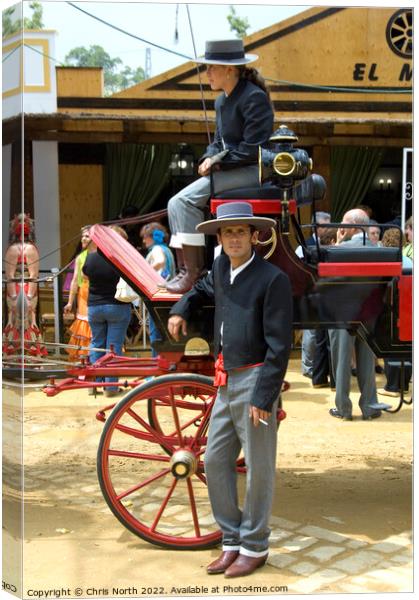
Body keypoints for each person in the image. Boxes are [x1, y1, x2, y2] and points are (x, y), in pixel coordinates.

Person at [168, 202, 293, 578]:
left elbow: (280, 346)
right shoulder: (222, 267)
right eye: (227, 232)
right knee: (215, 461)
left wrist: (264, 396)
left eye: (241, 231)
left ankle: (255, 546)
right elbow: (202, 286)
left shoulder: (273, 279)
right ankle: (232, 539)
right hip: (225, 380)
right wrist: (181, 307)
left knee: (258, 468)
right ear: (219, 238)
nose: (234, 238)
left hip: (255, 380)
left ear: (254, 236)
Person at [165, 39, 274, 294]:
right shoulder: (220, 102)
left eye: (211, 68)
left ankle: (194, 272)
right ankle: (183, 269)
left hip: (252, 172)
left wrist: (217, 162)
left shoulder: (253, 98)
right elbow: (218, 142)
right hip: (229, 170)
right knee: (173, 203)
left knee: (184, 201)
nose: (207, 74)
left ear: (229, 69)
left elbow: (253, 149)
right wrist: (208, 158)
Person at [328, 208, 381, 421]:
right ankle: (370, 407)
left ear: (350, 226)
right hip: (370, 312)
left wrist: (338, 243)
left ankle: (344, 408)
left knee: (342, 361)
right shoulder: (378, 248)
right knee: (367, 361)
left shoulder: (339, 249)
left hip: (343, 311)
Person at [82, 225, 132, 397]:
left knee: (96, 344)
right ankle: (111, 387)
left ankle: (94, 383)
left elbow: (86, 275)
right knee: (114, 347)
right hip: (117, 306)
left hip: (94, 306)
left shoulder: (91, 258)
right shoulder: (121, 260)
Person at [3, 213, 47, 357]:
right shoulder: (14, 249)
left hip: (27, 288)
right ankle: (13, 358)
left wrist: (28, 296)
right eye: (20, 220)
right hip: (16, 289)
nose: (23, 223)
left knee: (29, 321)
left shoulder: (29, 248)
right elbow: (9, 275)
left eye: (24, 220)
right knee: (14, 321)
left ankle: (30, 358)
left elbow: (33, 275)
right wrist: (15, 297)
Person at [377, 227, 412, 398]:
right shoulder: (409, 260)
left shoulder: (383, 260)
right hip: (407, 308)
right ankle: (404, 385)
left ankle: (392, 387)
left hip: (389, 308)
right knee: (406, 347)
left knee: (389, 347)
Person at [296, 212, 331, 378]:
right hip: (310, 292)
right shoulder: (303, 245)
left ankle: (321, 368)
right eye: (325, 225)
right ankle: (308, 367)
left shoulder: (333, 244)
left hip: (329, 293)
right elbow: (299, 271)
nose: (329, 228)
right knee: (310, 332)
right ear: (315, 227)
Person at [140, 222, 175, 356]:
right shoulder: (166, 249)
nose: (143, 241)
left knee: (156, 332)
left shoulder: (157, 250)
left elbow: (159, 261)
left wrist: (145, 272)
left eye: (145, 237)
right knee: (165, 332)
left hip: (158, 295)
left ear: (153, 237)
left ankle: (157, 364)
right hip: (168, 295)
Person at [63, 225, 93, 360]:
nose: (83, 239)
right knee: (84, 324)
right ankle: (85, 358)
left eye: (87, 236)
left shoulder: (100, 255)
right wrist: (70, 302)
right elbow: (74, 281)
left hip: (97, 293)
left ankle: (95, 357)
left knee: (94, 325)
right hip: (83, 294)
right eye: (83, 236)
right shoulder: (81, 256)